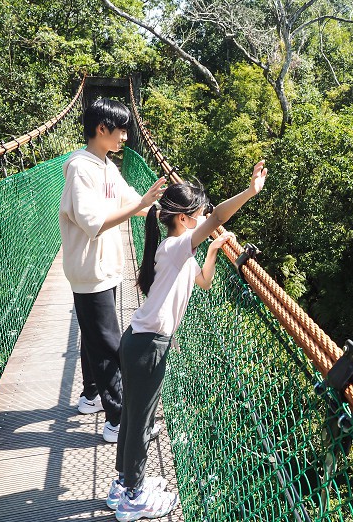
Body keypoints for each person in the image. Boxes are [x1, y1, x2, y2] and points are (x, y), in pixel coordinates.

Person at [109, 161, 267, 521]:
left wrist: (211, 252)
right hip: (148, 346)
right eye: (200, 211)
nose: (206, 216)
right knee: (141, 421)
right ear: (183, 218)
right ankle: (132, 496)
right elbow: (217, 220)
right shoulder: (176, 246)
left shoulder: (178, 250)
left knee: (136, 416)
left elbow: (204, 282)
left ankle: (124, 483)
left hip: (140, 342)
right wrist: (250, 192)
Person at [59, 98, 166, 443]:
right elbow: (93, 223)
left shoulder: (107, 165)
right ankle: (118, 419)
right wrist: (141, 204)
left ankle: (91, 395)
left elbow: (132, 201)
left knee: (95, 335)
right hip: (90, 271)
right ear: (102, 129)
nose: (125, 137)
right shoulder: (81, 167)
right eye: (121, 129)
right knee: (108, 345)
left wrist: (169, 211)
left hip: (104, 268)